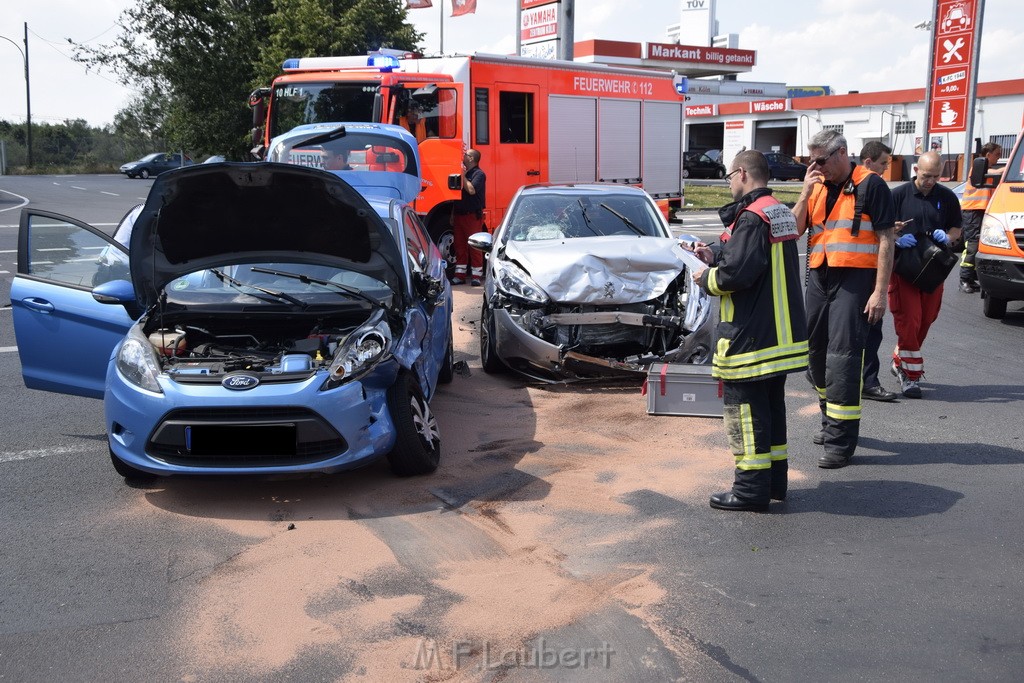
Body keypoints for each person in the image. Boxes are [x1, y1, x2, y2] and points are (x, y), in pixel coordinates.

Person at [689, 150, 808, 512]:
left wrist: (705, 276)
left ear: (741, 173)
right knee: (769, 409)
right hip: (777, 336)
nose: (728, 183)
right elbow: (744, 254)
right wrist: (713, 252)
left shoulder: (753, 217)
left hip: (751, 336)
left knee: (744, 411)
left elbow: (736, 274)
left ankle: (749, 490)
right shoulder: (777, 210)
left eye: (728, 177)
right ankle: (773, 483)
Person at [793, 130, 896, 469]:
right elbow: (793, 230)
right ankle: (830, 421)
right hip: (820, 277)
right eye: (812, 160)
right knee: (815, 355)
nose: (816, 166)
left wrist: (879, 292)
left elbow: (885, 240)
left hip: (854, 281)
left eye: (821, 160)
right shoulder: (817, 184)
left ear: (841, 153)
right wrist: (805, 190)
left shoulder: (871, 185)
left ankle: (840, 441)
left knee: (843, 358)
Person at [888, 151, 962, 398]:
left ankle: (902, 358)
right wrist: (897, 237)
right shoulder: (898, 195)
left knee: (927, 317)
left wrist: (948, 237)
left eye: (936, 176)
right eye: (927, 175)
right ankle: (910, 376)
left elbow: (956, 228)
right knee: (909, 319)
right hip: (905, 268)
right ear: (916, 170)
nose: (930, 180)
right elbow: (881, 227)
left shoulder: (947, 197)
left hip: (933, 268)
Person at [859, 141, 898, 402]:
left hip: (859, 270)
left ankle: (866, 380)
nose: (886, 168)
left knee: (870, 330)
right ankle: (868, 382)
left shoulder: (857, 186)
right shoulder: (871, 184)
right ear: (868, 161)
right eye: (883, 162)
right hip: (864, 272)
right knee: (870, 330)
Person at [959, 142, 1002, 293]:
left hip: (981, 212)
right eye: (997, 154)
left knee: (979, 246)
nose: (999, 157)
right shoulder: (980, 169)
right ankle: (964, 279)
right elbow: (995, 173)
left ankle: (970, 278)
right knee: (972, 245)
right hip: (973, 211)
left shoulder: (986, 169)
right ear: (988, 155)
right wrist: (1010, 166)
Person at [452, 149, 486, 286]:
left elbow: (471, 190)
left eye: (466, 154)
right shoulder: (466, 173)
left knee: (474, 247)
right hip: (459, 214)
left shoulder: (479, 174)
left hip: (472, 216)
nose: (463, 156)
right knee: (459, 246)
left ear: (471, 159)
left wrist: (463, 176)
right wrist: (452, 214)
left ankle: (476, 277)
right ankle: (459, 275)